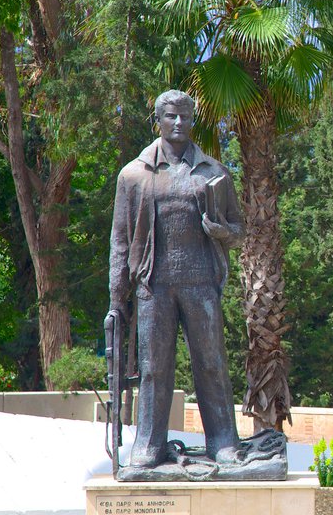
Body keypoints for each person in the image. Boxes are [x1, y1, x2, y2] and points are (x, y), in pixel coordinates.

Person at [108, 89, 244, 469]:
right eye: (171, 116)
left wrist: (220, 231)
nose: (178, 123)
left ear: (193, 119)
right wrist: (117, 300)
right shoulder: (134, 175)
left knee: (212, 362)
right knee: (153, 367)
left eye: (185, 116)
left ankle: (223, 441)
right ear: (159, 119)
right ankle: (149, 443)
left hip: (201, 283)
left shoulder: (213, 173)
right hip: (155, 285)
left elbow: (238, 231)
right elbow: (120, 242)